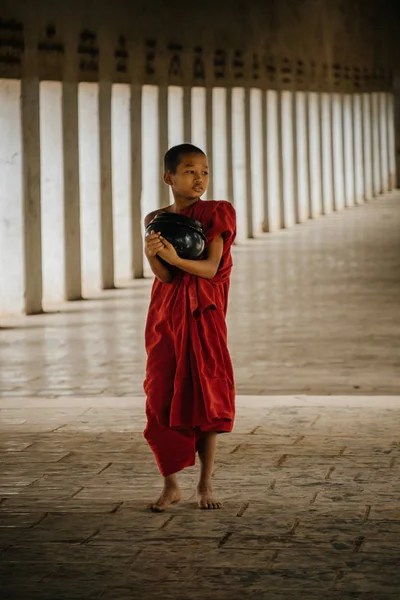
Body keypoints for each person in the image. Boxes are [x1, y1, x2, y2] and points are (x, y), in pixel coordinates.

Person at [143, 143, 236, 511]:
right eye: (189, 171)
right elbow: (166, 277)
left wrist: (172, 256)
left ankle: (205, 483)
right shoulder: (156, 217)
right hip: (166, 314)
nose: (199, 178)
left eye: (205, 171)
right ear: (169, 177)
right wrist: (154, 257)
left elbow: (211, 269)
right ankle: (170, 485)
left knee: (206, 393)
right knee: (160, 393)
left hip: (203, 313)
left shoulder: (217, 212)